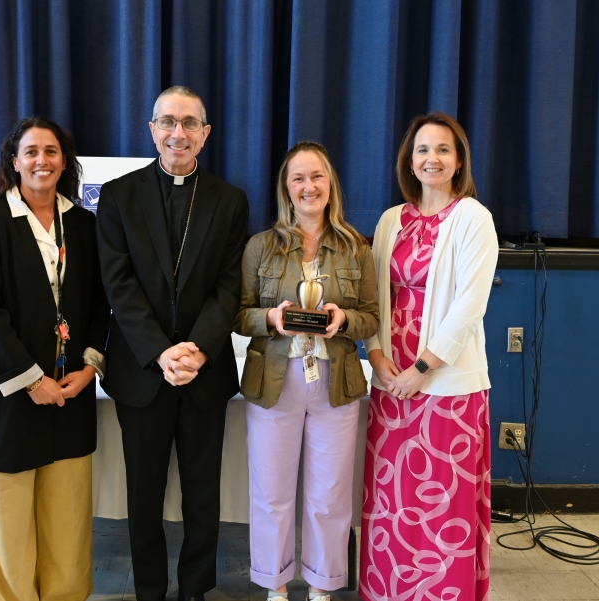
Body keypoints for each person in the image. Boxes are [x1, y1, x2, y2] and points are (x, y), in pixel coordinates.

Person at [96, 86, 249, 601]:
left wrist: (199, 349)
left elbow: (230, 285)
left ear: (205, 135)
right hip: (143, 371)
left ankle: (195, 591)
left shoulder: (230, 201)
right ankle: (148, 591)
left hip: (204, 373)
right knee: (143, 495)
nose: (177, 133)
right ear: (152, 130)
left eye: (189, 124)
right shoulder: (117, 197)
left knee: (203, 496)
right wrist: (162, 352)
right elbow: (118, 286)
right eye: (168, 122)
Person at [0, 116, 109, 600]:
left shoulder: (84, 224)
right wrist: (30, 380)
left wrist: (89, 368)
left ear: (65, 161)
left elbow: (99, 305)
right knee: (7, 532)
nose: (42, 161)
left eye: (51, 151)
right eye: (31, 152)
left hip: (70, 398)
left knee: (67, 532)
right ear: (14, 162)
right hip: (8, 403)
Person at [359, 112, 498, 601]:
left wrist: (422, 369)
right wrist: (377, 358)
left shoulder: (473, 218)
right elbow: (372, 296)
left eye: (443, 149)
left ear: (458, 161)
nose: (431, 158)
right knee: (393, 503)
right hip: (391, 383)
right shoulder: (389, 220)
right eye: (422, 149)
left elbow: (469, 306)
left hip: (446, 385)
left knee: (441, 507)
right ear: (409, 161)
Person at [234, 141, 379, 601]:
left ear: (330, 184)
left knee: (330, 495)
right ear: (286, 189)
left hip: (336, 383)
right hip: (274, 382)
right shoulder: (260, 247)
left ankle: (322, 586)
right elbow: (238, 315)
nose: (308, 186)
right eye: (298, 177)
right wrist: (272, 319)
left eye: (316, 176)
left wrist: (344, 320)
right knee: (272, 494)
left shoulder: (357, 248)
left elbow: (372, 317)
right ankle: (275, 586)